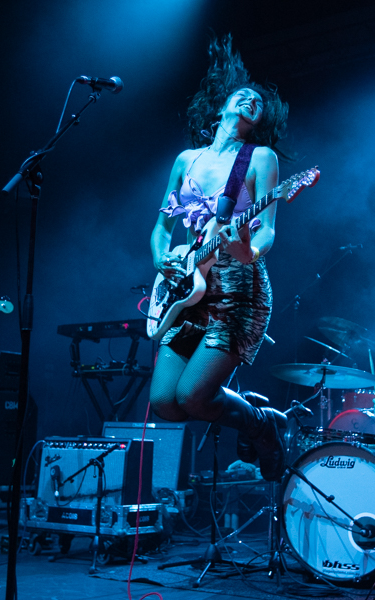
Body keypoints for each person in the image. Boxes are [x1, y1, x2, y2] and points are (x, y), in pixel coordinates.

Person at [148, 35, 289, 482]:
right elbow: (160, 229)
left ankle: (264, 425)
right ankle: (254, 415)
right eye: (243, 95)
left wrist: (246, 249)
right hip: (188, 286)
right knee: (165, 403)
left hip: (237, 288)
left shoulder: (260, 158)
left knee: (193, 395)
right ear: (221, 106)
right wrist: (162, 260)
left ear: (259, 120)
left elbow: (266, 230)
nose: (252, 101)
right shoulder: (186, 160)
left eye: (259, 103)